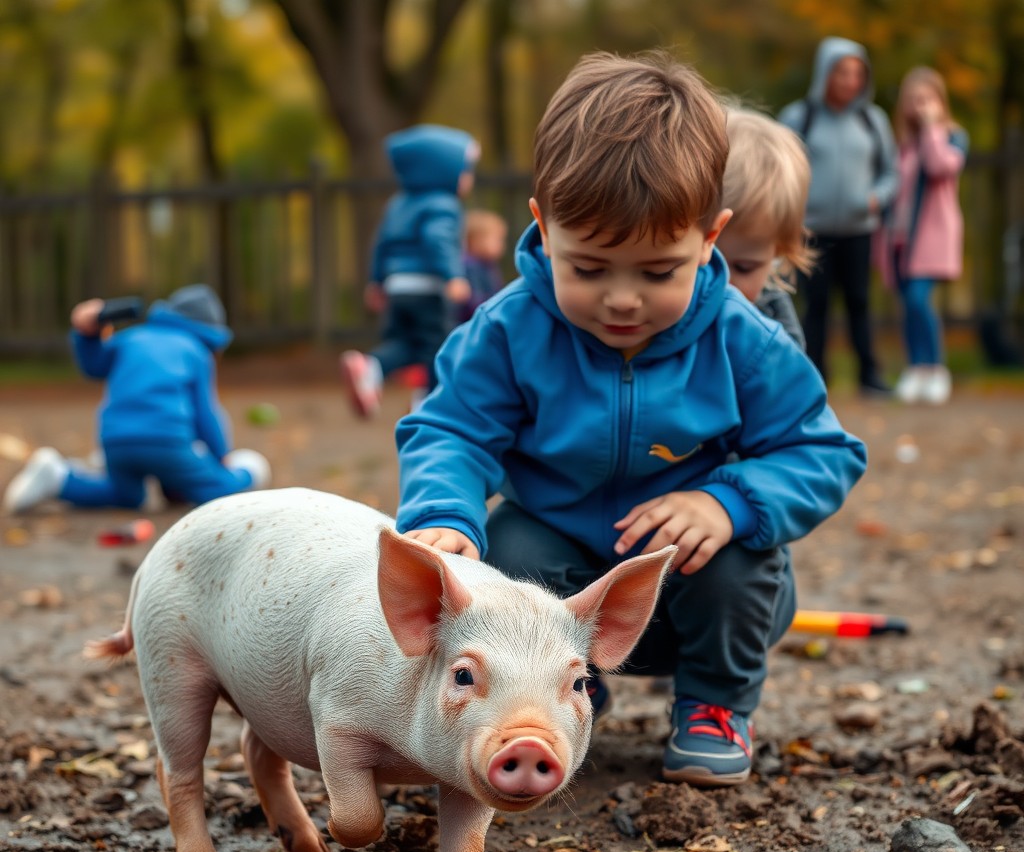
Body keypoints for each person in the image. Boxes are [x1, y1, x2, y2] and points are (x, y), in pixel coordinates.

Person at [393, 52, 868, 788]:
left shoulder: (743, 338)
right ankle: (562, 689)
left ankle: (714, 706)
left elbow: (823, 450)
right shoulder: (510, 328)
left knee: (742, 552)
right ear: (543, 230)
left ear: (710, 238)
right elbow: (451, 428)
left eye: (656, 273)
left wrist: (728, 501)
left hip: (690, 586)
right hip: (564, 571)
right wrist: (445, 512)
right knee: (509, 544)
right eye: (588, 269)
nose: (621, 300)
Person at [2, 285, 270, 514]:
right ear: (212, 338)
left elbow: (93, 365)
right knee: (213, 487)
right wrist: (222, 455)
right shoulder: (196, 352)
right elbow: (205, 413)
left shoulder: (129, 338)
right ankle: (248, 471)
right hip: (167, 444)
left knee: (127, 497)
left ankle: (60, 478)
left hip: (116, 442)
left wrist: (88, 334)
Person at [779, 37, 899, 395]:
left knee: (859, 302)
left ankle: (869, 376)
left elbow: (891, 172)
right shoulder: (799, 118)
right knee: (815, 306)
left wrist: (878, 197)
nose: (849, 81)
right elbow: (779, 168)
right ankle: (814, 377)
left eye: (856, 74)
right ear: (825, 74)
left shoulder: (872, 120)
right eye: (842, 72)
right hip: (811, 230)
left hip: (858, 230)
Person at [340, 124, 480, 419]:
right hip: (427, 287)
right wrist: (452, 275)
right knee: (436, 347)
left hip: (397, 286)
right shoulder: (444, 204)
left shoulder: (397, 204)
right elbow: (436, 239)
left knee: (407, 343)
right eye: (465, 170)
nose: (469, 179)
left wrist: (376, 281)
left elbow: (381, 243)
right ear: (441, 171)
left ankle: (371, 367)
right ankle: (429, 403)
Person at [874, 67, 968, 405]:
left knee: (918, 300)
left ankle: (935, 369)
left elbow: (940, 166)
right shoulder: (902, 147)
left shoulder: (952, 138)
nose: (920, 106)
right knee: (907, 306)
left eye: (926, 99)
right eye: (914, 101)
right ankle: (915, 369)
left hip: (932, 238)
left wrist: (931, 128)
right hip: (900, 241)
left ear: (940, 102)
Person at [717, 106, 814, 349]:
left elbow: (795, 383)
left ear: (779, 250)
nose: (723, 284)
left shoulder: (773, 320)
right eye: (705, 263)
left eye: (743, 267)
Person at [458, 208, 509, 324]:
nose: (502, 245)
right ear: (477, 239)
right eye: (497, 239)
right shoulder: (470, 266)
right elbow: (475, 303)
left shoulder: (488, 264)